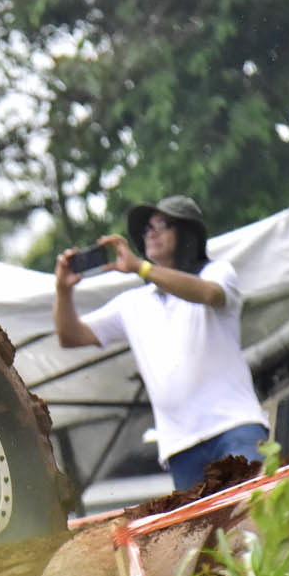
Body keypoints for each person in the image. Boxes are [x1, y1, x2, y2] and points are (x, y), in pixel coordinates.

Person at [54, 194, 269, 490]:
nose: (151, 233)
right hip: (181, 447)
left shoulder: (217, 272)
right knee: (205, 524)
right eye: (147, 228)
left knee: (252, 511)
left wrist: (141, 268)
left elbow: (209, 294)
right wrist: (63, 291)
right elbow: (70, 336)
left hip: (234, 428)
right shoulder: (132, 303)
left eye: (162, 225)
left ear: (187, 233)